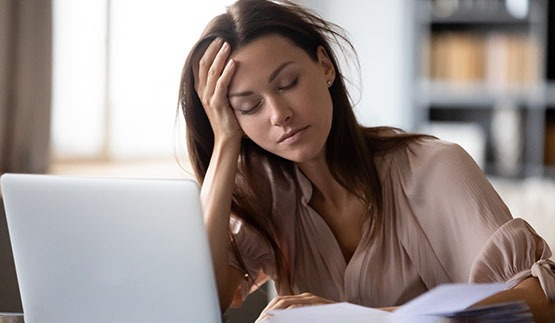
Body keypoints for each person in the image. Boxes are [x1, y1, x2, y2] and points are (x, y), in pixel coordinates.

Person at [178, 0, 555, 321]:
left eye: (288, 83)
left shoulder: (435, 168)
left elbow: (542, 304)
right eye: (249, 106)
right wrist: (226, 141)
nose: (278, 114)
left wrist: (367, 319)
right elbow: (201, 300)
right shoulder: (269, 193)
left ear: (325, 65)